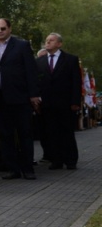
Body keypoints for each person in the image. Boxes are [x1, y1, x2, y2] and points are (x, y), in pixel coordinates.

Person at [0, 18, 39, 180]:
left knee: (24, 134)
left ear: (9, 29)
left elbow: (31, 71)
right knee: (5, 135)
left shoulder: (21, 45)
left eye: (2, 29)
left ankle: (28, 169)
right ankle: (12, 169)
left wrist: (33, 94)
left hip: (20, 97)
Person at [35, 33, 81, 170]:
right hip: (47, 104)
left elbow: (76, 82)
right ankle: (56, 160)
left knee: (67, 132)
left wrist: (75, 102)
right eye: (46, 40)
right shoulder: (39, 62)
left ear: (59, 44)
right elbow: (37, 83)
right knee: (51, 132)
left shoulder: (70, 60)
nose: (47, 42)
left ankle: (71, 160)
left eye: (51, 40)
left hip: (65, 103)